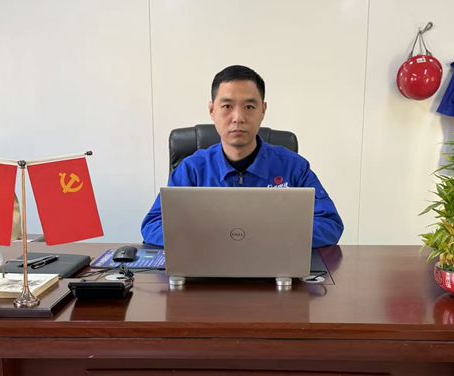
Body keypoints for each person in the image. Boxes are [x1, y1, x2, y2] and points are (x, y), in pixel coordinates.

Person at [141, 65, 343, 248]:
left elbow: (330, 223)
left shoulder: (293, 167)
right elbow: (153, 225)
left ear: (263, 110)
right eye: (227, 106)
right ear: (212, 110)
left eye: (249, 107)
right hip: (208, 269)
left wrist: (267, 237)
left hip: (273, 270)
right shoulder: (192, 170)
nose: (238, 118)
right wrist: (213, 238)